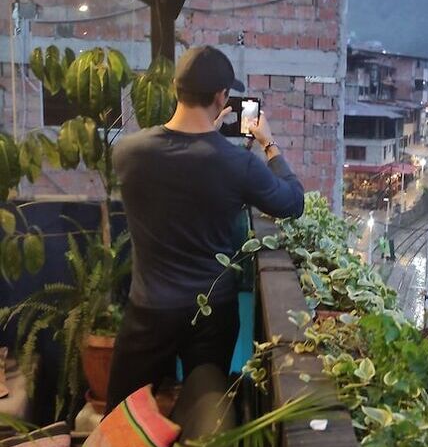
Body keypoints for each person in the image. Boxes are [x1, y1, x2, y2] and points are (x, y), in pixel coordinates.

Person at [106, 46, 304, 411]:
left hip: (149, 312)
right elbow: (292, 203)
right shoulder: (237, 164)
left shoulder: (128, 152)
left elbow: (180, 161)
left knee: (121, 418)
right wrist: (269, 143)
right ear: (221, 97)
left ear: (176, 89)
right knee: (205, 417)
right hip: (212, 315)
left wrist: (204, 135)